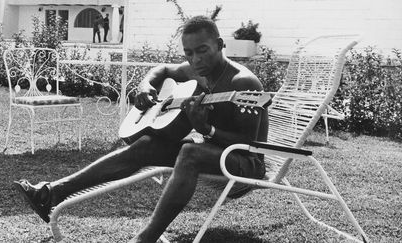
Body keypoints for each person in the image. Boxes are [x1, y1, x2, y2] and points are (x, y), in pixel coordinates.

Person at [14, 15, 269, 243]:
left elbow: (250, 143)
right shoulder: (196, 72)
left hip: (245, 164)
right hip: (211, 151)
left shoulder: (242, 82)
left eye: (202, 50)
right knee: (147, 144)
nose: (195, 59)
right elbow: (163, 69)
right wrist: (147, 85)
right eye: (189, 53)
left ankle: (145, 239)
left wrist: (207, 129)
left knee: (191, 152)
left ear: (220, 45)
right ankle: (51, 193)